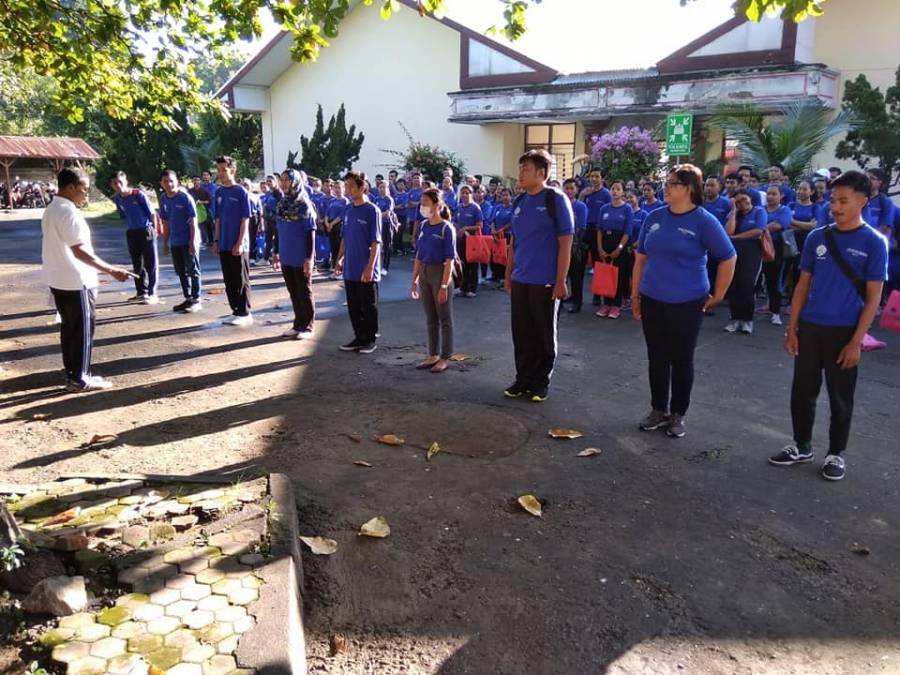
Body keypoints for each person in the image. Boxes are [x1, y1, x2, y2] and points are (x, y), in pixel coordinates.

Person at [770, 170, 889, 481]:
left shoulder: (874, 243)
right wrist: (792, 328)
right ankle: (802, 446)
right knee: (802, 391)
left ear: (863, 201)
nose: (835, 207)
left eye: (843, 201)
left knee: (840, 397)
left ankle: (836, 453)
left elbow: (874, 297)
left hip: (845, 332)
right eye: (833, 200)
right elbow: (801, 286)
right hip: (810, 327)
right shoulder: (817, 237)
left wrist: (856, 341)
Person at [631, 165, 736, 438]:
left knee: (681, 358)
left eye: (673, 183)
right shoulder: (654, 217)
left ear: (689, 188)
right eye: (666, 183)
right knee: (656, 356)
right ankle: (658, 409)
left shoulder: (703, 221)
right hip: (653, 297)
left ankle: (678, 413)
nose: (666, 188)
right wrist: (635, 294)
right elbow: (640, 259)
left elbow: (728, 257)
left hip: (687, 301)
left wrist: (719, 294)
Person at [42, 167, 133, 391]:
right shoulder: (68, 213)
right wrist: (111, 270)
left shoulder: (52, 208)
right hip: (76, 281)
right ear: (70, 187)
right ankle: (80, 377)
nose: (86, 193)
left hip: (59, 279)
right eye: (84, 188)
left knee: (69, 329)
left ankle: (73, 373)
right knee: (82, 330)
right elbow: (80, 251)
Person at [504, 150, 574, 402]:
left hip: (545, 280)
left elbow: (565, 243)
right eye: (520, 168)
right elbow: (514, 243)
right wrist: (508, 275)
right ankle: (522, 378)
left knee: (543, 333)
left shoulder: (555, 200)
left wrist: (560, 280)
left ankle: (540, 381)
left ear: (541, 173)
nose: (520, 174)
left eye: (526, 169)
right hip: (521, 278)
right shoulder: (519, 202)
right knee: (522, 332)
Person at [410, 189, 457, 373]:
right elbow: (419, 256)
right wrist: (414, 280)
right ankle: (433, 354)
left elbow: (450, 260)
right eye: (421, 202)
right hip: (425, 272)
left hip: (440, 273)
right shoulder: (423, 226)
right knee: (431, 317)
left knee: (444, 317)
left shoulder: (446, 228)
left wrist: (444, 285)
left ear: (437, 205)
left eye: (425, 203)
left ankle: (445, 357)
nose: (422, 206)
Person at [336, 172, 382, 353]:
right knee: (353, 306)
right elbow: (344, 237)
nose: (348, 189)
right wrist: (339, 258)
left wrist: (370, 267)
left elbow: (376, 242)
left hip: (366, 268)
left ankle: (370, 339)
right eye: (346, 186)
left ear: (362, 187)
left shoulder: (372, 210)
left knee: (368, 305)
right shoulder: (348, 209)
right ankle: (359, 337)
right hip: (350, 267)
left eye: (351, 186)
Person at [272, 169, 316, 340]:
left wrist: (309, 258)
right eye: (282, 180)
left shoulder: (304, 204)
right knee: (293, 291)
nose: (284, 183)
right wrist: (276, 251)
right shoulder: (281, 204)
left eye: (287, 180)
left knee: (304, 291)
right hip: (286, 254)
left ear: (295, 182)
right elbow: (278, 230)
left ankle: (308, 326)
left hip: (300, 255)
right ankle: (298, 324)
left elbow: (310, 232)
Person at [212, 156, 253, 326]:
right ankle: (235, 310)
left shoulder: (241, 192)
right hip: (224, 242)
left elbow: (245, 219)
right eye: (218, 170)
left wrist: (240, 242)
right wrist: (216, 240)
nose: (221, 173)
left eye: (224, 170)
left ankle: (245, 312)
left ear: (233, 171)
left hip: (239, 244)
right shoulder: (219, 192)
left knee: (240, 278)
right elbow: (217, 219)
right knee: (229, 279)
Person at [111, 171, 159, 304]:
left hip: (146, 230)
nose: (118, 185)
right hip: (132, 232)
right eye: (115, 183)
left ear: (126, 181)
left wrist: (154, 230)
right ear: (112, 185)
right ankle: (141, 292)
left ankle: (152, 293)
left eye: (120, 182)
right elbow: (123, 215)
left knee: (151, 263)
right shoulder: (118, 198)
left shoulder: (138, 195)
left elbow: (152, 214)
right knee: (137, 264)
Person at [158, 170, 202, 313]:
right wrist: (165, 243)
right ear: (161, 183)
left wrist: (192, 242)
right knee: (181, 271)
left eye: (171, 181)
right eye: (165, 181)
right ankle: (188, 298)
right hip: (175, 241)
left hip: (188, 240)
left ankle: (196, 300)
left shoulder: (184, 198)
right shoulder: (163, 198)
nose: (169, 184)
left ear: (176, 181)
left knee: (193, 270)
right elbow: (165, 222)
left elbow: (193, 221)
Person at [724, 190, 765, 334]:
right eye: (738, 201)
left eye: (744, 199)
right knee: (733, 284)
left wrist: (737, 237)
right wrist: (733, 211)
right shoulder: (735, 214)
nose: (742, 203)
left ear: (750, 198)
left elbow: (758, 230)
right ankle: (735, 318)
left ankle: (747, 320)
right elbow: (729, 231)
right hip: (735, 251)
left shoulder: (759, 211)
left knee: (747, 284)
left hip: (752, 251)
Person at [595, 180, 633, 319]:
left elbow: (627, 232)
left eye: (618, 189)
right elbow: (599, 229)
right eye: (613, 188)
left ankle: (616, 305)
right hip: (606, 241)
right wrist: (600, 248)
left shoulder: (627, 209)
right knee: (605, 273)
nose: (615, 191)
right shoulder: (604, 208)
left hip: (620, 243)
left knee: (619, 275)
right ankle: (606, 304)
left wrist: (619, 248)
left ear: (622, 192)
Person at [763, 184, 793, 326]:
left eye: (774, 194)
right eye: (768, 193)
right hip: (759, 246)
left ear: (781, 196)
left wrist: (760, 228)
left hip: (776, 248)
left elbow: (778, 226)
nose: (770, 196)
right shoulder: (761, 209)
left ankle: (775, 313)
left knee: (774, 281)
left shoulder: (785, 210)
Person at [580, 169, 611, 302]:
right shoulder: (586, 192)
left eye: (596, 176)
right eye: (591, 176)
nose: (593, 179)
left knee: (597, 264)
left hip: (598, 231)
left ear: (602, 179)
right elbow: (579, 207)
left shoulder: (606, 194)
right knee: (579, 263)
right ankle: (576, 296)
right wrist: (582, 195)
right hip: (584, 229)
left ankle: (597, 295)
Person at [785, 180, 818, 299]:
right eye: (799, 189)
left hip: (806, 242)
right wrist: (805, 225)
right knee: (787, 270)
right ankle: (788, 297)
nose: (801, 191)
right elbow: (786, 222)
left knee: (801, 270)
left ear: (811, 191)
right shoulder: (791, 205)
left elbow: (814, 226)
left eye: (804, 189)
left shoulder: (815, 207)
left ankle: (799, 298)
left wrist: (794, 222)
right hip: (789, 241)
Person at [563, 178, 589, 313]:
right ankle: (564, 298)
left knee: (576, 276)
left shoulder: (581, 206)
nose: (569, 191)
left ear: (577, 190)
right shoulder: (560, 205)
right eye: (566, 188)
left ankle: (577, 302)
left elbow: (581, 227)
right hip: (561, 245)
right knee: (563, 274)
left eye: (572, 188)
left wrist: (572, 242)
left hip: (576, 246)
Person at [453, 184, 483, 297]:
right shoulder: (459, 207)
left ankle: (472, 288)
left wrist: (466, 228)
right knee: (462, 264)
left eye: (467, 193)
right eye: (463, 193)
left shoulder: (475, 208)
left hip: (472, 241)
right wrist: (456, 229)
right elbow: (455, 221)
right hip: (460, 239)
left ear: (471, 194)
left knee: (472, 264)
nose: (465, 195)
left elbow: (479, 225)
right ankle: (463, 288)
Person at [490, 187, 514, 287]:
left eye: (506, 195)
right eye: (503, 195)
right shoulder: (498, 207)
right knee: (495, 255)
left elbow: (512, 222)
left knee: (505, 256)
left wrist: (502, 229)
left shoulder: (513, 208)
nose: (504, 197)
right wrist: (493, 230)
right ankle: (495, 275)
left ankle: (505, 278)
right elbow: (492, 220)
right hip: (496, 235)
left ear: (511, 196)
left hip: (507, 234)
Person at [325, 181, 349, 277]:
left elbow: (341, 215)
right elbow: (327, 213)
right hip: (330, 225)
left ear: (343, 189)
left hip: (338, 225)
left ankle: (341, 269)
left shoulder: (345, 201)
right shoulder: (332, 200)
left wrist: (332, 224)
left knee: (340, 248)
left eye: (339, 188)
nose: (337, 190)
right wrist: (327, 223)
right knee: (333, 247)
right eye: (336, 188)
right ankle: (334, 267)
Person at [375, 181, 396, 275]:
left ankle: (385, 267)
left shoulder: (389, 199)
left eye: (384, 187)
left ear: (387, 188)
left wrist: (376, 215)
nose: (382, 189)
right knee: (376, 245)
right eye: (380, 187)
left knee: (387, 246)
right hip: (377, 224)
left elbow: (387, 213)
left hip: (387, 224)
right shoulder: (376, 199)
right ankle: (376, 265)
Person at [189, 177, 212, 246]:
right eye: (194, 180)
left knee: (206, 227)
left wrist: (201, 202)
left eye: (198, 180)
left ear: (200, 181)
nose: (196, 181)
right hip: (193, 212)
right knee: (196, 227)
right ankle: (199, 242)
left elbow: (209, 201)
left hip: (204, 212)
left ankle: (208, 242)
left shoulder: (205, 191)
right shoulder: (189, 191)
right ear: (192, 181)